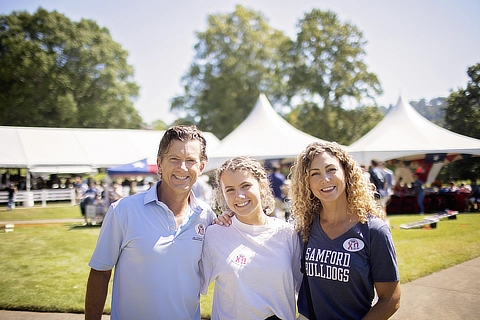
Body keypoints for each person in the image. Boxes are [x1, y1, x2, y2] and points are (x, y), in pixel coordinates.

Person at [85, 125, 216, 320]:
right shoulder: (123, 211)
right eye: (174, 159)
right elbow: (100, 273)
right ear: (160, 164)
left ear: (201, 167)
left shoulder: (207, 216)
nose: (182, 168)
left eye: (191, 161)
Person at [290, 141, 401, 320]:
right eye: (314, 173)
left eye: (331, 169)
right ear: (307, 182)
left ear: (346, 172)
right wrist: (230, 218)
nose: (324, 179)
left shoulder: (374, 230)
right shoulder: (303, 227)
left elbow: (391, 298)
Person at [200, 156, 302, 319]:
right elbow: (189, 289)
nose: (239, 196)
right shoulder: (214, 235)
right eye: (230, 189)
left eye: (245, 186)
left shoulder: (288, 234)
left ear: (261, 186)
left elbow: (306, 292)